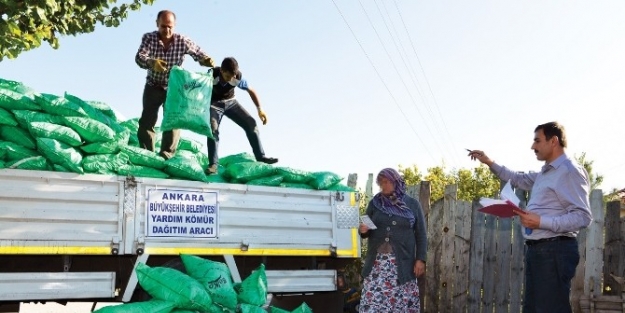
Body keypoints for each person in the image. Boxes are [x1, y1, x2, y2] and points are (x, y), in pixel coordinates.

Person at [468, 121, 593, 313]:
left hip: (555, 251)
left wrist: (541, 221)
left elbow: (583, 216)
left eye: (537, 140)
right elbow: (517, 179)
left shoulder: (569, 171)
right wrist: (489, 162)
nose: (532, 146)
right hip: (539, 251)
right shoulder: (545, 173)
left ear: (554, 141)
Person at [134, 10, 215, 159]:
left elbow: (198, 53)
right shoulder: (149, 38)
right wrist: (152, 63)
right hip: (153, 85)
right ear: (157, 24)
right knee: (147, 120)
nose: (167, 30)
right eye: (163, 26)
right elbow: (140, 57)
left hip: (174, 89)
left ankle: (167, 155)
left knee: (173, 119)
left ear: (175, 26)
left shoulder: (182, 41)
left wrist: (206, 60)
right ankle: (147, 155)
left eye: (170, 27)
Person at [358, 168, 426, 313]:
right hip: (377, 265)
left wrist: (420, 259)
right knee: (373, 303)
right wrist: (363, 231)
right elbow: (366, 229)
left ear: (396, 182)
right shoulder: (375, 203)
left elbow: (421, 233)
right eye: (380, 182)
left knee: (400, 303)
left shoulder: (412, 204)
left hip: (402, 263)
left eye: (387, 182)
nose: (383, 185)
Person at [205, 57, 278, 174]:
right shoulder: (212, 75)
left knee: (251, 123)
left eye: (233, 77)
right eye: (228, 77)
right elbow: (199, 86)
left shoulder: (237, 77)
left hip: (231, 103)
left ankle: (261, 157)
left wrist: (260, 109)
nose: (231, 80)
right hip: (214, 105)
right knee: (213, 130)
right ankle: (213, 164)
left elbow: (251, 90)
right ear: (222, 71)